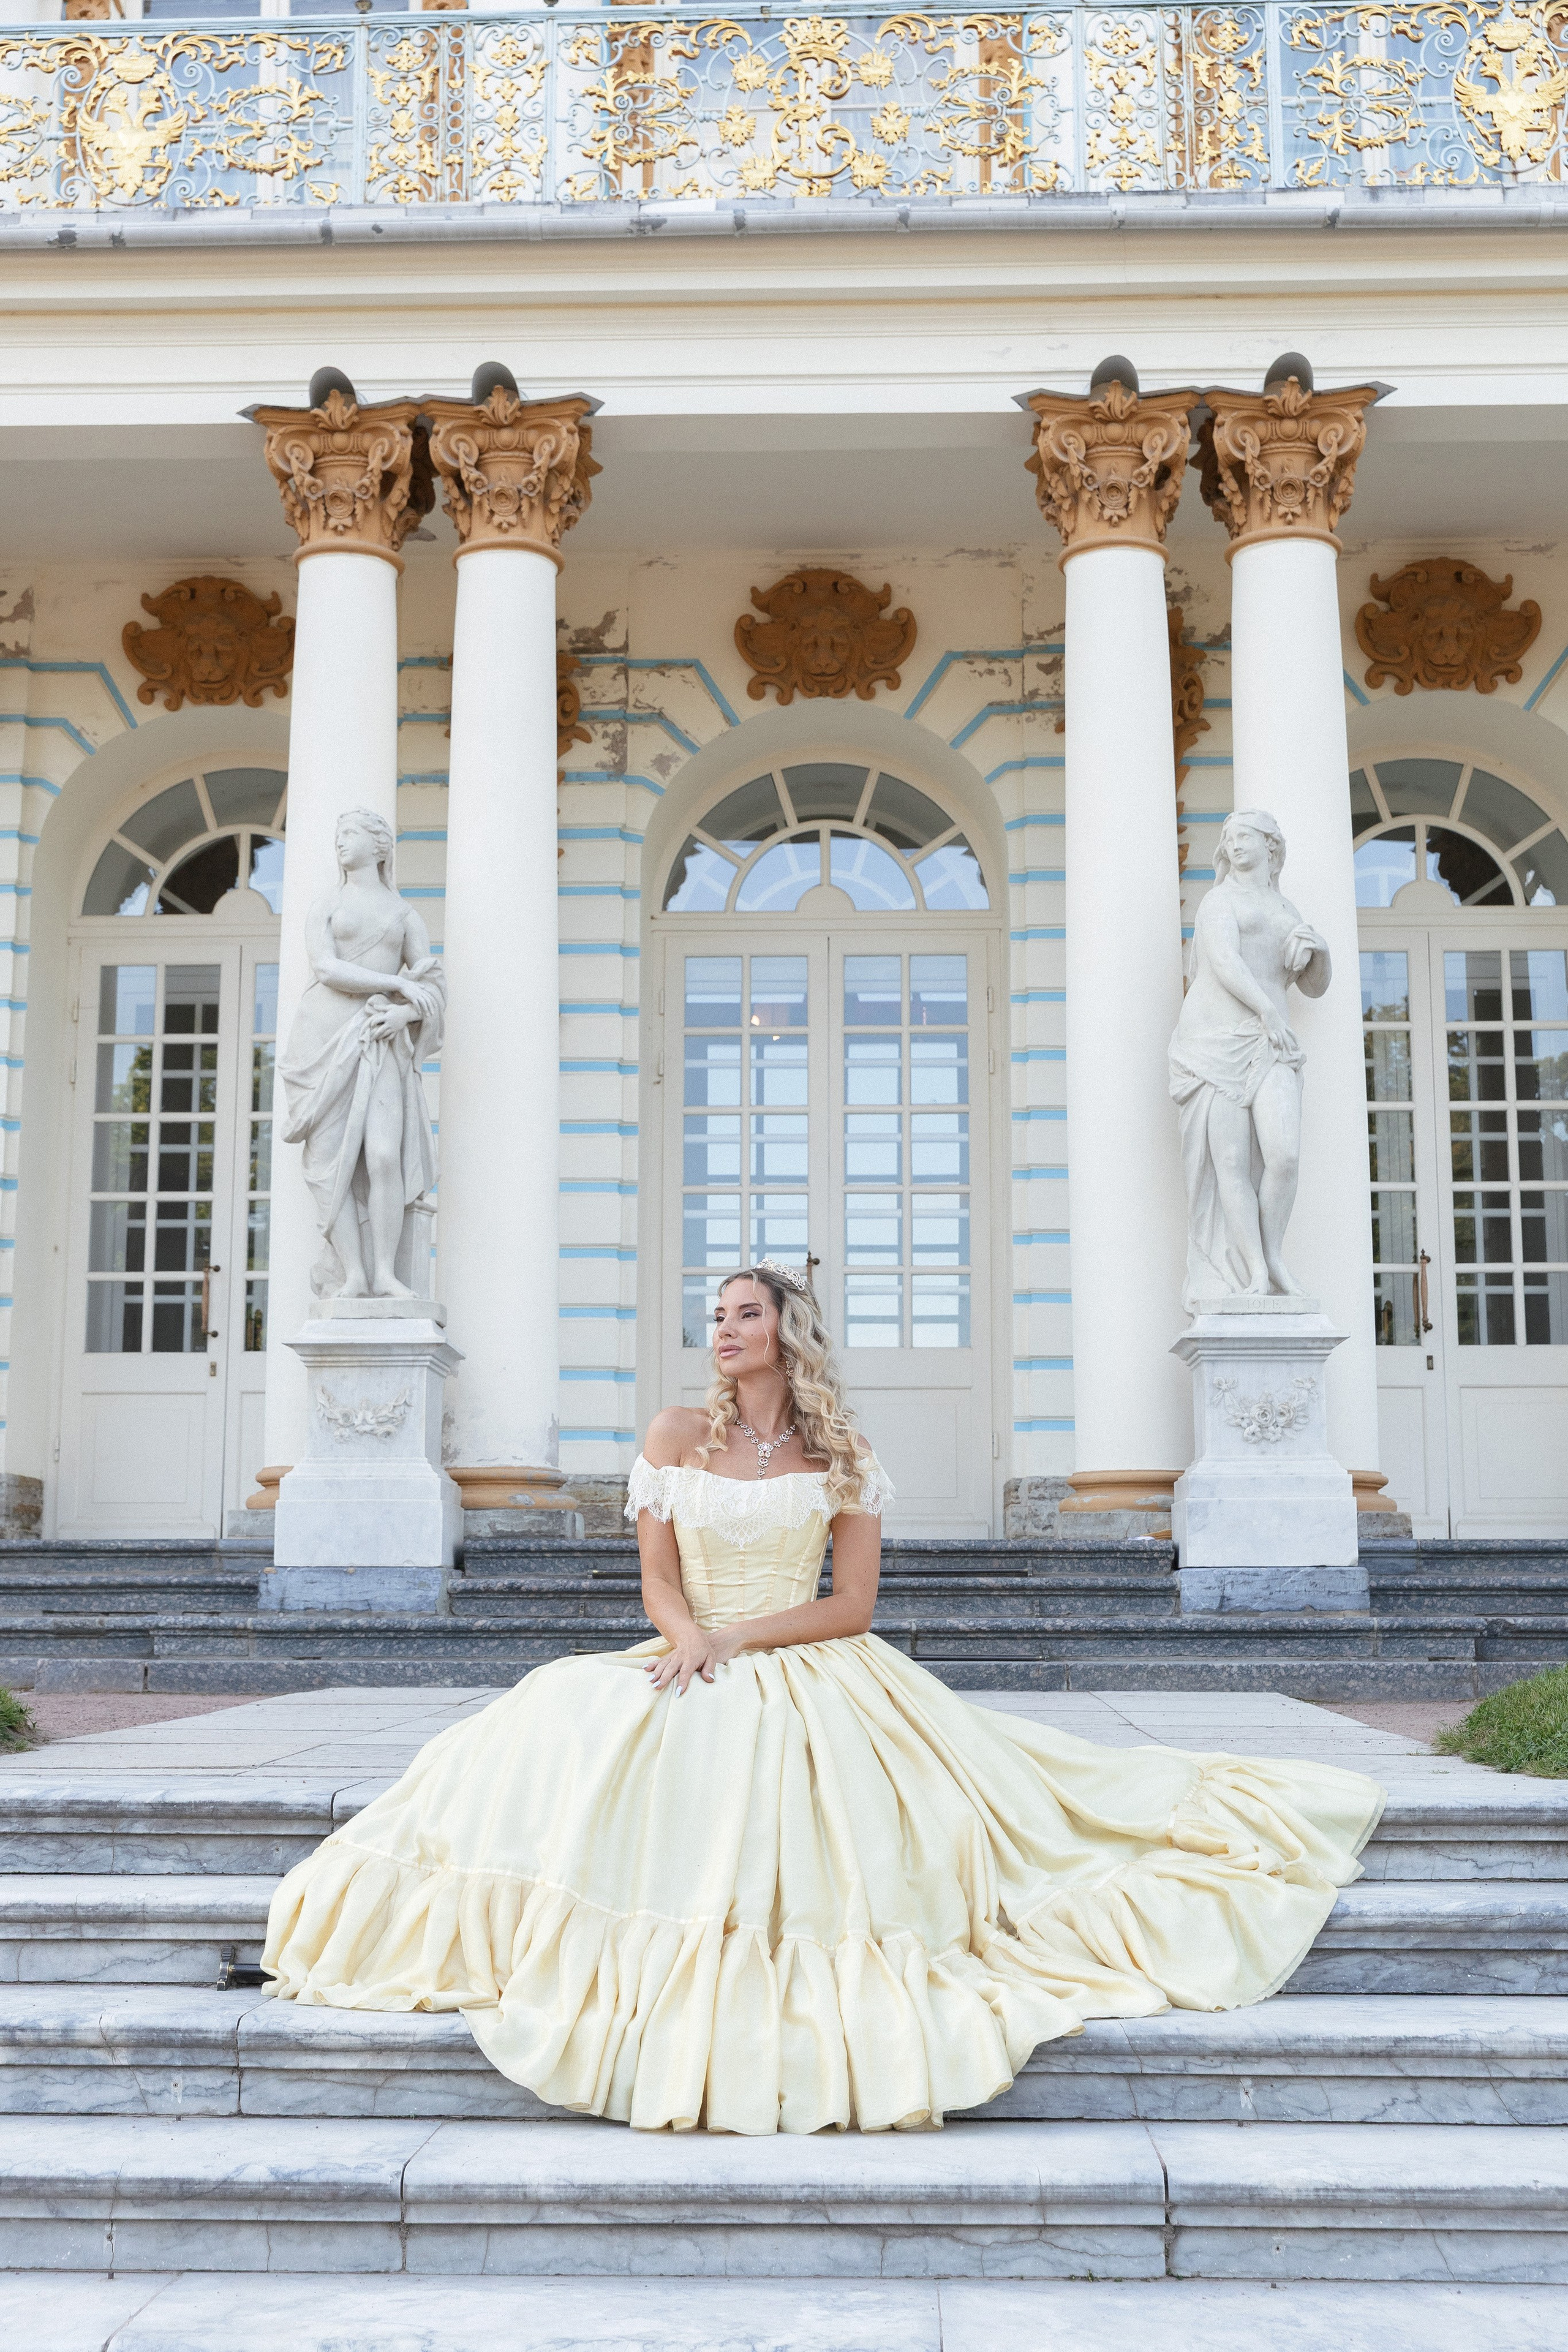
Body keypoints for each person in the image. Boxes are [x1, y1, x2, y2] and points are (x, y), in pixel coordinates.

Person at [262, 1261, 1383, 2135]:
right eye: (718, 1314)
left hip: (807, 1654)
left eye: (745, 1314)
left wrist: (744, 1637)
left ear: (784, 1334)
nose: (724, 1330)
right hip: (691, 1640)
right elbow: (655, 1577)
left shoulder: (839, 1454)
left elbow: (851, 1606)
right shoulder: (672, 1437)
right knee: (552, 1722)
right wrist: (693, 1635)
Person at [278, 805, 444, 1300]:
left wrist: (404, 1016)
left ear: (380, 846)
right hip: (322, 1038)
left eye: (350, 834)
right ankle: (354, 1273)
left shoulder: (404, 915)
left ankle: (387, 1274)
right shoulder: (325, 906)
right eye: (338, 835)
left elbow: (433, 986)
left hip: (380, 1039)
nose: (341, 843)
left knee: (384, 1156)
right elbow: (326, 968)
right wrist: (395, 984)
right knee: (333, 1166)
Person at [1169, 807, 1331, 1308]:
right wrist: (1267, 1011)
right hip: (1216, 1043)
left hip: (1271, 1043)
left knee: (1284, 1155)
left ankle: (1274, 1255)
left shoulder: (1288, 911)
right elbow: (1223, 961)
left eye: (1244, 836)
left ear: (1271, 846)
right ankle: (1255, 1273)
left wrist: (1320, 951)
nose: (1234, 844)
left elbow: (1313, 986)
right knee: (1231, 1164)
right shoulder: (1220, 901)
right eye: (1228, 838)